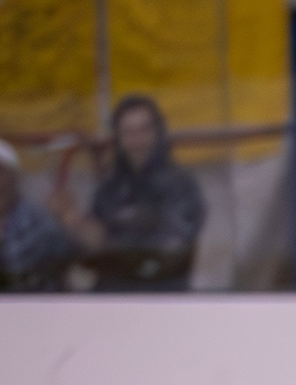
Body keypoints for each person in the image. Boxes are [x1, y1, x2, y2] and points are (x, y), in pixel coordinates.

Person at [58, 95, 205, 289]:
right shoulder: (109, 189)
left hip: (163, 299)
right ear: (118, 138)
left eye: (144, 130)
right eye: (128, 132)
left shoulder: (182, 186)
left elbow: (165, 253)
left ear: (158, 132)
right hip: (113, 301)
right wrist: (72, 223)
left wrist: (105, 242)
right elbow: (87, 252)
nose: (137, 140)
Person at [1, 141, 75, 292]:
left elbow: (65, 272)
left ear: (14, 176)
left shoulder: (39, 221)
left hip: (33, 307)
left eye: (0, 172)